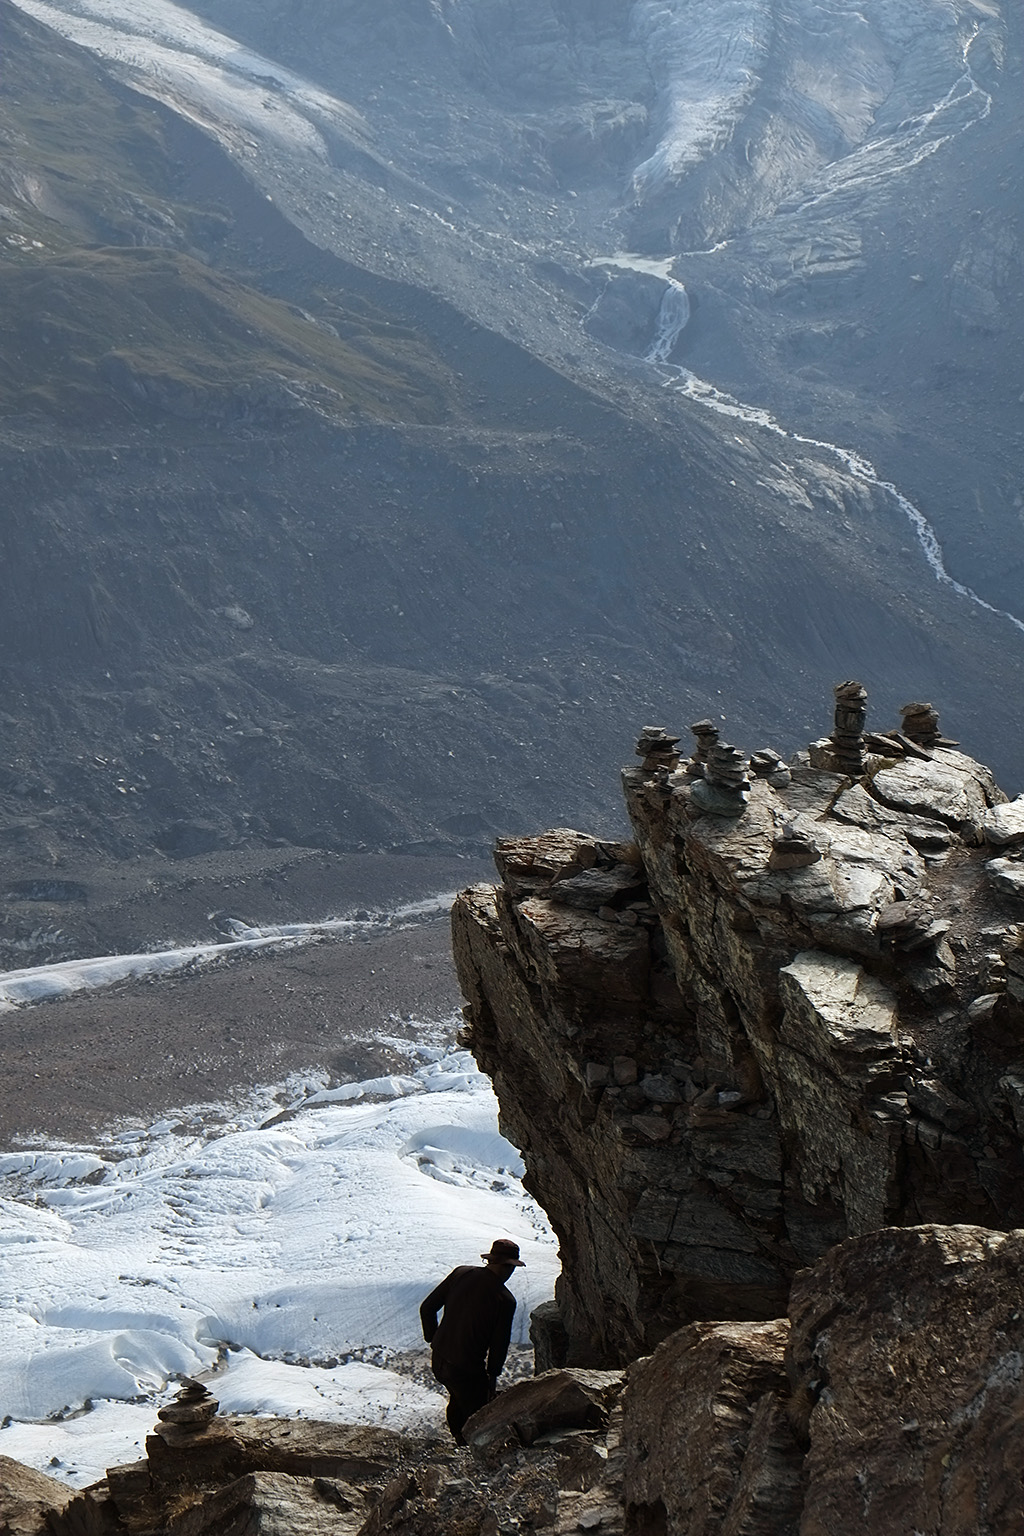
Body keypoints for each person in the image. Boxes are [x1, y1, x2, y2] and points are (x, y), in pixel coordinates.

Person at [420, 1237, 525, 1444]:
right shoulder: (504, 1300)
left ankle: (458, 1443)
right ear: (507, 1267)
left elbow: (427, 1308)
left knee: (457, 1399)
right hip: (466, 1368)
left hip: (439, 1360)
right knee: (477, 1415)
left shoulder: (462, 1273)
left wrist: (433, 1339)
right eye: (511, 1267)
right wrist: (492, 1378)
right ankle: (468, 1452)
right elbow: (499, 1345)